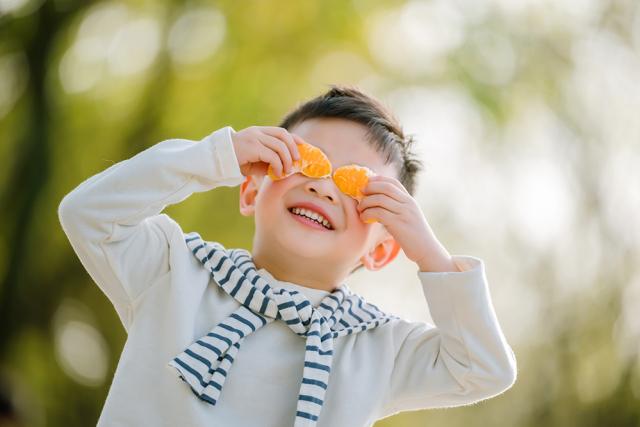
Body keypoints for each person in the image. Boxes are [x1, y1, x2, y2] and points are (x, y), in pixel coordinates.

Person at [57, 84, 517, 427]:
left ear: (382, 250)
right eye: (304, 161)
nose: (322, 185)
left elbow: (483, 369)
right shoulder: (174, 269)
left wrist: (430, 254)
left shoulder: (378, 347)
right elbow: (88, 214)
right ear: (250, 189)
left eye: (358, 188)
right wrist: (214, 155)